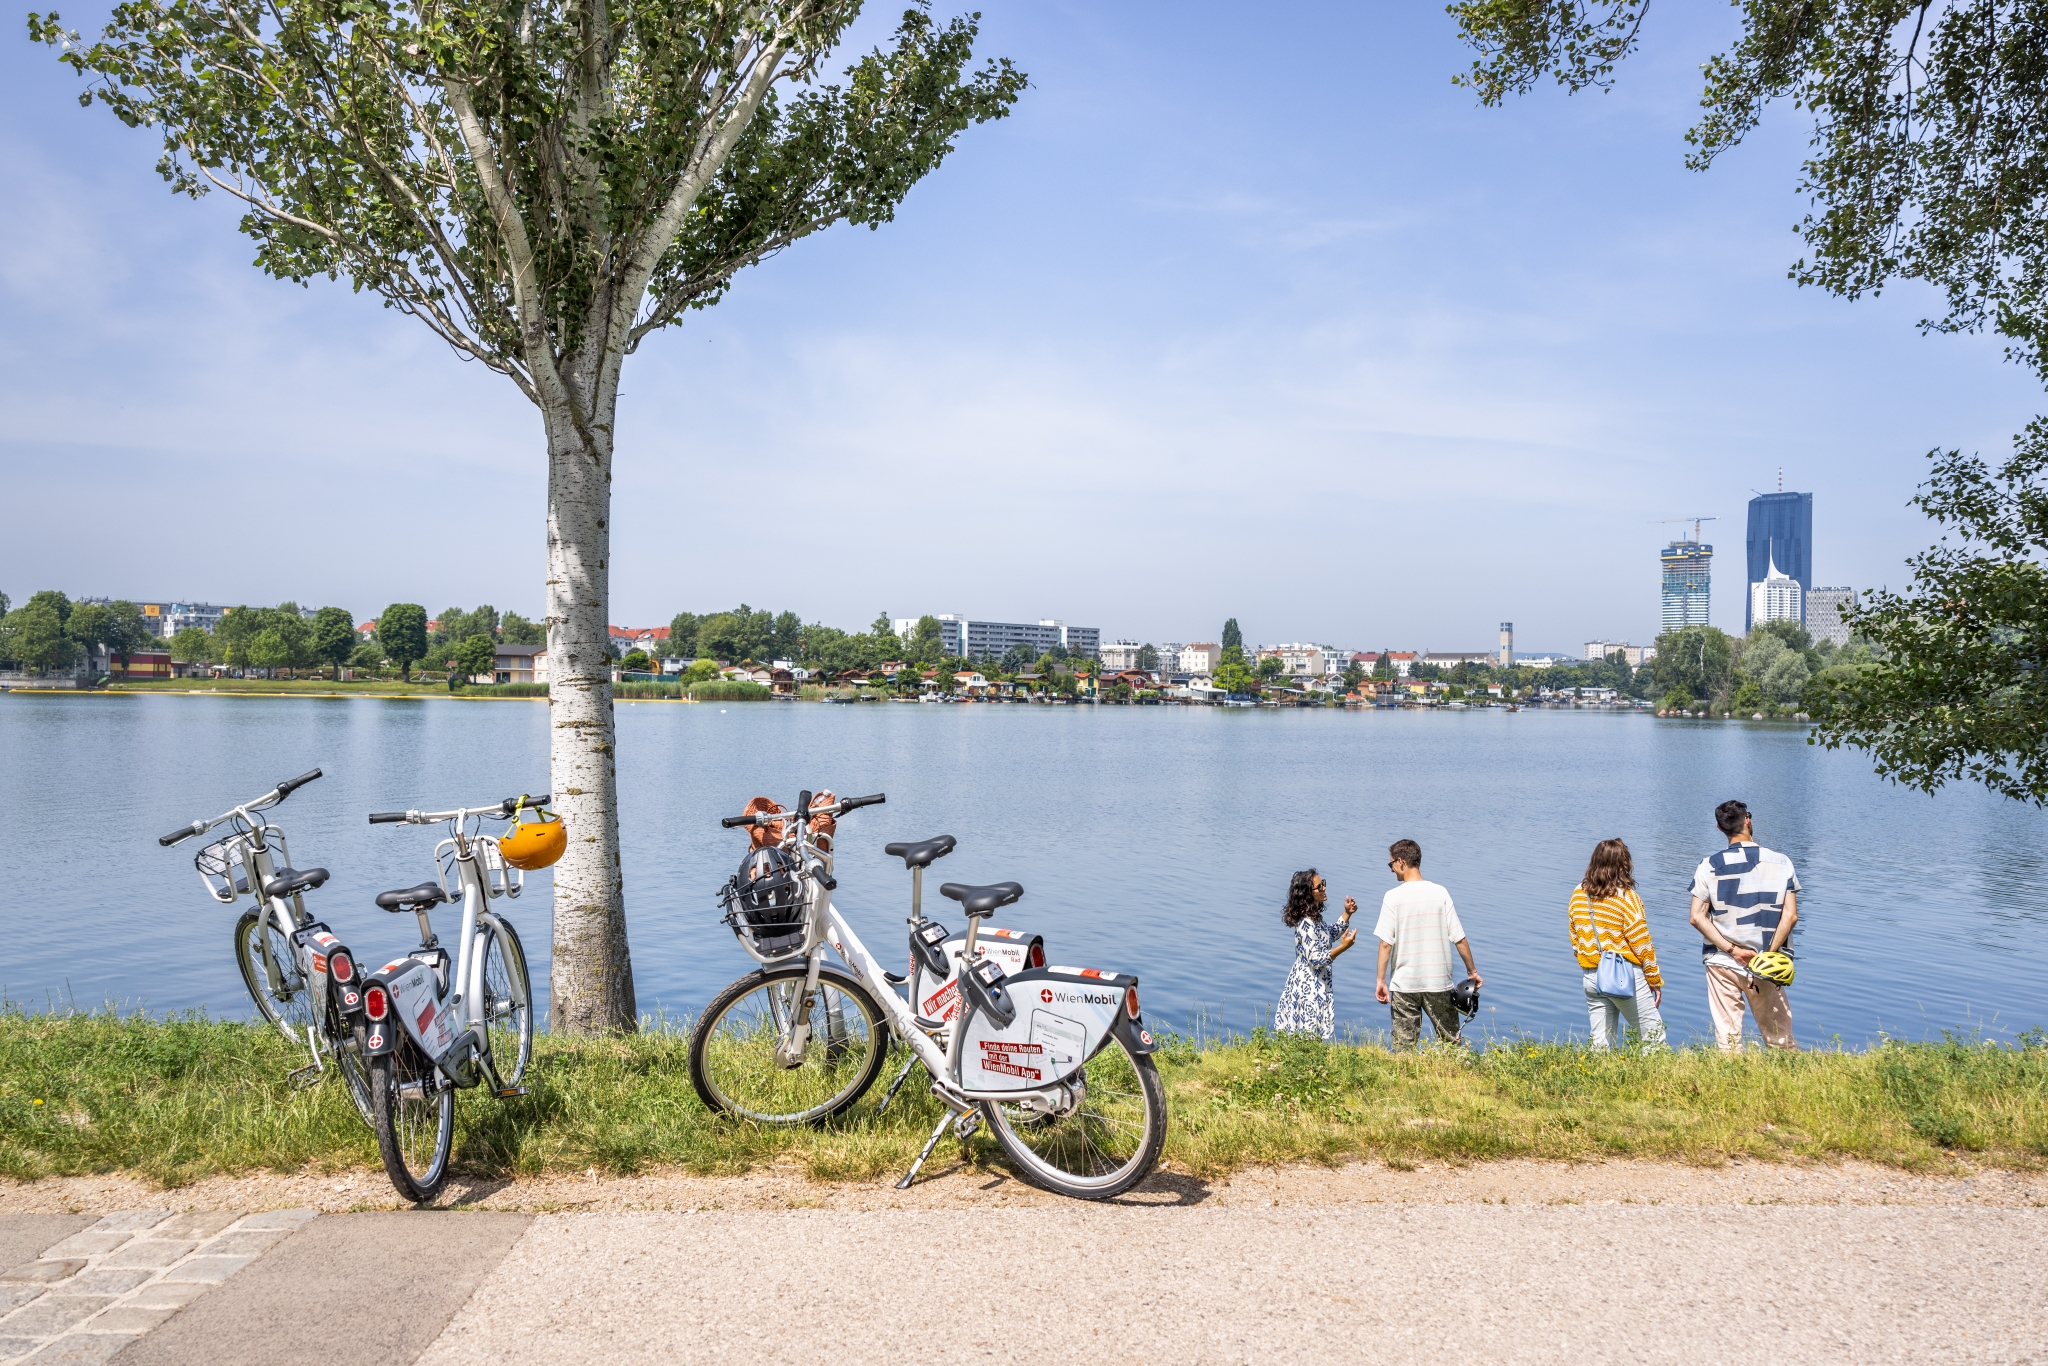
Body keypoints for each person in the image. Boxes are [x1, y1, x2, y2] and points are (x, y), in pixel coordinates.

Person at [1689, 799, 1800, 1051]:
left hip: (1722, 962)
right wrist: (1766, 957)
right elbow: (1790, 916)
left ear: (1719, 828)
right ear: (1747, 821)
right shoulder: (1781, 862)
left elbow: (1697, 917)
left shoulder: (1708, 865)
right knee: (1780, 1039)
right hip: (1769, 964)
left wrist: (1733, 950)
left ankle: (1731, 1086)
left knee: (1728, 1038)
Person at [1373, 840, 1481, 1049]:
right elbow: (1459, 938)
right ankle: (1454, 1077)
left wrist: (1381, 981)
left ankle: (1404, 1078)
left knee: (1404, 1046)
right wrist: (1472, 971)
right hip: (1438, 982)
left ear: (1401, 862)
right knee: (1451, 1043)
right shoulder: (1441, 893)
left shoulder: (1392, 897)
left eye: (1391, 864)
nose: (1391, 869)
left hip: (1405, 984)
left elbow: (1386, 943)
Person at [1569, 838, 1666, 1049]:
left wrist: (1588, 958)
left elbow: (1575, 935)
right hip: (1622, 975)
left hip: (1591, 975)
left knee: (1601, 1043)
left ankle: (1599, 1080)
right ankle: (1658, 1082)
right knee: (1654, 1037)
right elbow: (1642, 944)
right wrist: (1654, 979)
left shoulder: (1579, 893)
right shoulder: (1626, 897)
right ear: (1624, 864)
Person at [1273, 869, 1357, 1041]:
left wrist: (1347, 913)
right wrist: (1342, 948)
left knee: (1310, 1036)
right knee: (1306, 1035)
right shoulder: (1306, 923)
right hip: (1308, 986)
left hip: (1317, 983)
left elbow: (1329, 934)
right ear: (1307, 894)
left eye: (1323, 884)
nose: (1324, 888)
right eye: (1319, 887)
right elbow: (1317, 959)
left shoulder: (1315, 919)